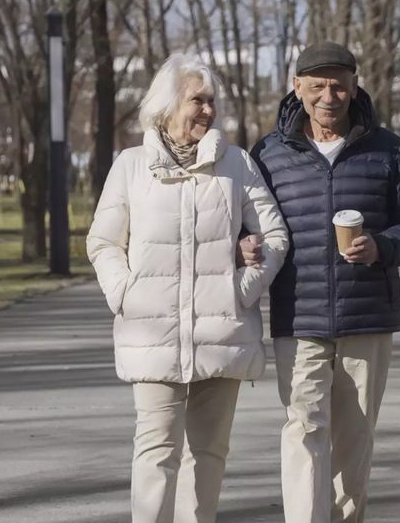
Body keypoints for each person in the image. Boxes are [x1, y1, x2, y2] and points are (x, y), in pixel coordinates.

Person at [87, 54, 288, 523]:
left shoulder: (236, 163)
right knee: (156, 449)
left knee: (209, 452)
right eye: (197, 100)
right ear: (166, 104)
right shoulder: (131, 166)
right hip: (151, 334)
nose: (207, 110)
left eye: (211, 101)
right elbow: (103, 242)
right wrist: (125, 294)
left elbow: (275, 236)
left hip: (223, 330)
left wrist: (246, 284)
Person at [246, 42, 400, 522]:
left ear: (354, 86)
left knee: (354, 435)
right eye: (318, 86)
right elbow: (247, 225)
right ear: (297, 87)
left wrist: (382, 246)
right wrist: (244, 244)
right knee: (303, 428)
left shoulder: (388, 149)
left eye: (339, 85)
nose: (329, 96)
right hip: (298, 315)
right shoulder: (268, 153)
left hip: (367, 316)